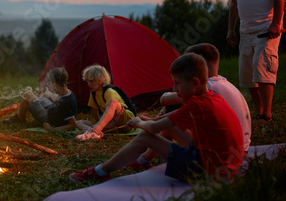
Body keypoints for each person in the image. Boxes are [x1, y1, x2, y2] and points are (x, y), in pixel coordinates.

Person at [69, 54, 244, 184]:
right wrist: (151, 120)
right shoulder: (210, 97)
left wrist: (139, 123)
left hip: (209, 172)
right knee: (172, 127)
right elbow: (173, 118)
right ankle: (142, 161)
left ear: (195, 82)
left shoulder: (196, 105)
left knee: (145, 136)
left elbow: (152, 131)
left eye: (177, 83)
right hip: (226, 166)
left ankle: (100, 172)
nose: (174, 89)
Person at [129, 43, 252, 169]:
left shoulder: (205, 89)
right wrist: (154, 120)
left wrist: (147, 122)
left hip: (221, 155)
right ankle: (143, 159)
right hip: (240, 148)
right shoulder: (224, 83)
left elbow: (165, 100)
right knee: (173, 122)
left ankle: (143, 158)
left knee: (173, 121)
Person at [227, 0, 283, 122]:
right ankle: (259, 111)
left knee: (263, 70)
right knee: (247, 75)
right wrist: (231, 30)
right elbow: (234, 5)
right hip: (246, 30)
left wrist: (277, 23)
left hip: (267, 28)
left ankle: (266, 113)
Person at [2, 68, 78, 131]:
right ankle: (20, 117)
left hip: (48, 119)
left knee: (28, 95)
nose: (49, 85)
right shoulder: (68, 93)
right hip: (53, 110)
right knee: (41, 96)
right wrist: (49, 95)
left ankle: (19, 118)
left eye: (50, 83)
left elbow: (72, 125)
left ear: (56, 84)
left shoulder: (66, 103)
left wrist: (52, 129)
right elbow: (61, 105)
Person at [75, 65, 135, 141]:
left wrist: (99, 125)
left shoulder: (109, 91)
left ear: (100, 80)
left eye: (91, 81)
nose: (88, 84)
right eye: (87, 81)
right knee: (78, 122)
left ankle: (95, 131)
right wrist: (98, 122)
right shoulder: (94, 93)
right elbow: (94, 110)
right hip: (113, 125)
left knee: (113, 102)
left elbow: (113, 111)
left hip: (126, 121)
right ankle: (93, 132)